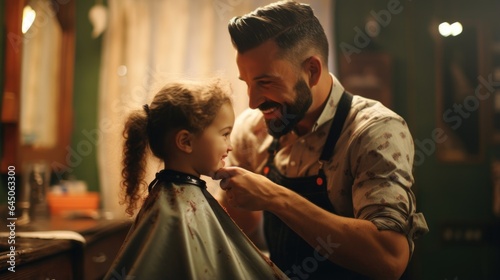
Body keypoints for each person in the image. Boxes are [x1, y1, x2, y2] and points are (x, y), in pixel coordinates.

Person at [213, 1, 429, 279]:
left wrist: (276, 198)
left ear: (312, 71)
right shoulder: (253, 130)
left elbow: (389, 258)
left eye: (265, 83)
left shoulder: (374, 131)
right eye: (248, 83)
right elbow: (238, 230)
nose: (253, 101)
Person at [104, 79, 287, 279]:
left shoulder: (176, 200)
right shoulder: (175, 214)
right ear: (186, 141)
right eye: (225, 134)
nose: (230, 146)